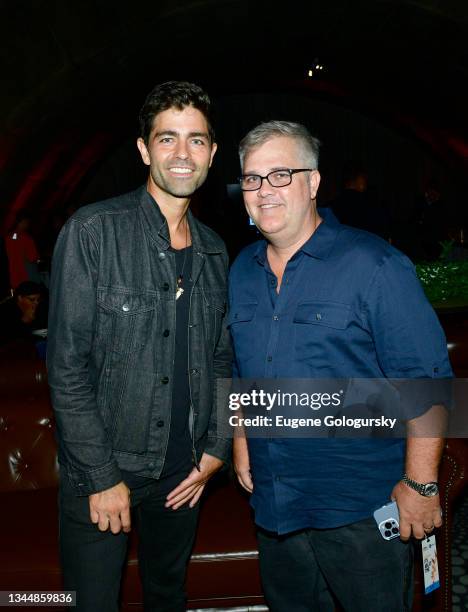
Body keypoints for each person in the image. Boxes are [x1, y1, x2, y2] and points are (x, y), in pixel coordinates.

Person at [229, 121, 452, 611]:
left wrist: (419, 484)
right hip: (275, 505)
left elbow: (428, 383)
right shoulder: (242, 270)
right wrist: (242, 438)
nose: (264, 190)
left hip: (359, 508)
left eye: (281, 175)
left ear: (313, 183)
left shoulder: (374, 266)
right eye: (252, 178)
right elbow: (245, 369)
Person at [47, 81, 232, 612]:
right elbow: (67, 368)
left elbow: (222, 357)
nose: (181, 154)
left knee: (167, 597)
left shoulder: (215, 251)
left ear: (212, 154)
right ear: (144, 149)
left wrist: (217, 447)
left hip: (184, 475)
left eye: (196, 141)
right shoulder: (92, 232)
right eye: (167, 139)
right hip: (105, 470)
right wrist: (101, 478)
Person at [0, 280, 46, 345]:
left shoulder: (38, 306)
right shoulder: (6, 311)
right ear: (20, 298)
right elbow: (9, 337)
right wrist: (24, 321)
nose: (36, 303)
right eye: (32, 300)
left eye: (38, 300)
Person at [4, 209, 40, 289]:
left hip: (13, 277)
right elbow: (32, 258)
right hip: (26, 277)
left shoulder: (9, 237)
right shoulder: (27, 238)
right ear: (24, 221)